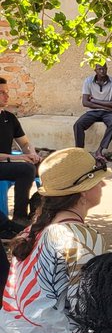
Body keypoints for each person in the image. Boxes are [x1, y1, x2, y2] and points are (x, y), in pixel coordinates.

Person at [0, 148, 109, 333]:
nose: (103, 185)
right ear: (83, 192)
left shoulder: (32, 230)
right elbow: (89, 309)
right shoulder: (80, 237)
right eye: (98, 181)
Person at [0, 77, 42, 227]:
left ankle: (39, 209)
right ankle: (20, 217)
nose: (7, 96)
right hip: (3, 162)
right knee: (26, 169)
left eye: (7, 92)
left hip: (7, 162)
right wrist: (19, 157)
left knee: (45, 165)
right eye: (2, 92)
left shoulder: (9, 118)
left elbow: (24, 143)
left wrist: (32, 153)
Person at [73, 63, 112, 160]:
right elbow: (85, 102)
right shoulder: (88, 81)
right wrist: (107, 106)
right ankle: (79, 152)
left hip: (108, 113)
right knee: (78, 125)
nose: (102, 71)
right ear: (95, 70)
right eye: (99, 69)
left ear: (107, 69)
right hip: (93, 111)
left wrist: (94, 100)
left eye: (104, 68)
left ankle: (99, 150)